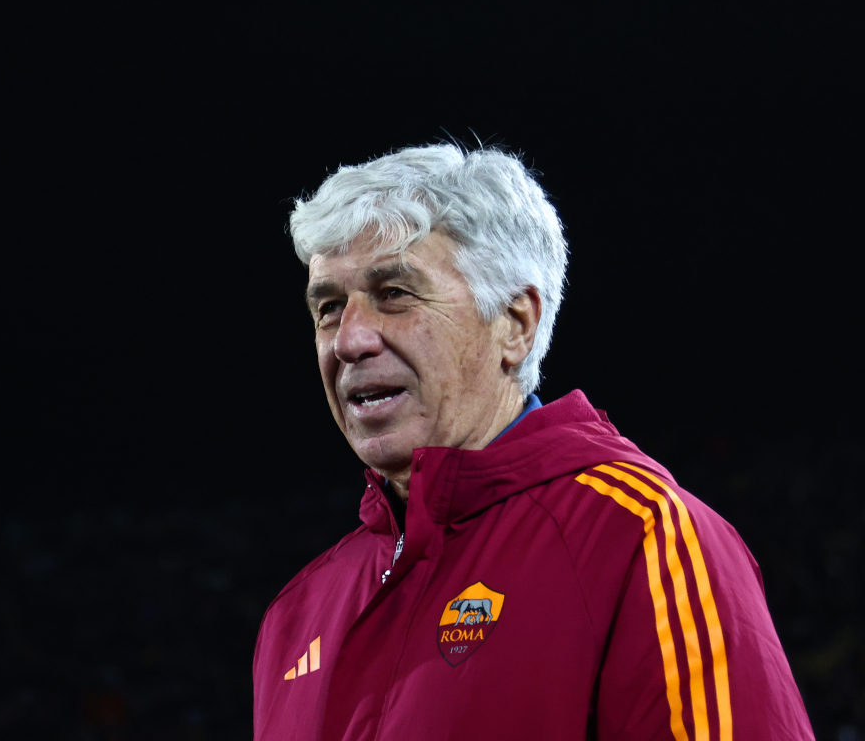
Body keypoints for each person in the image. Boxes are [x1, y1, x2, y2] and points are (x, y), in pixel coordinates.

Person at [251, 144, 814, 740]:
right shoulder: (298, 612)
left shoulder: (640, 536)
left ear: (516, 324)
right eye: (330, 308)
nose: (350, 340)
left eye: (395, 293)